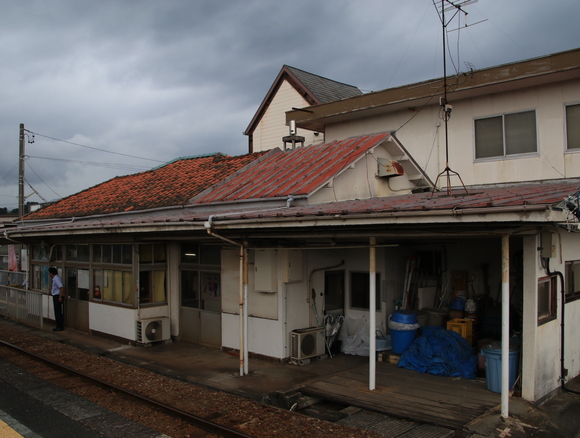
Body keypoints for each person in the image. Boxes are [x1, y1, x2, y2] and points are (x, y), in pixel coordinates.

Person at [48, 267, 65, 331]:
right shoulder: (56, 278)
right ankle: (59, 325)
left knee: (58, 311)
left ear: (51, 273)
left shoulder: (56, 279)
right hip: (56, 295)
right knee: (57, 311)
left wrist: (60, 296)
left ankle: (59, 326)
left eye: (49, 273)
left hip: (57, 296)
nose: (49, 274)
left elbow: (61, 287)